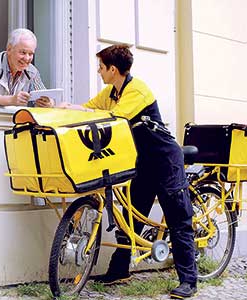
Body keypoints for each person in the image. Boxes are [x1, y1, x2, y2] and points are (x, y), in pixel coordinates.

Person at [58, 44, 197, 299]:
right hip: (142, 163)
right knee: (130, 218)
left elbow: (116, 118)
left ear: (113, 69)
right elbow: (90, 108)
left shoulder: (137, 90)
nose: (99, 72)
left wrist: (88, 112)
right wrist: (63, 107)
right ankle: (120, 269)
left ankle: (189, 281)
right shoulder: (111, 92)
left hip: (166, 160)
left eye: (101, 67)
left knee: (178, 221)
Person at [0, 28, 54, 107]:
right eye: (22, 52)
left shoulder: (32, 72)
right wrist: (12, 100)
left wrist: (48, 103)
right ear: (9, 49)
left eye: (30, 54)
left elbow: (43, 94)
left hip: (8, 120)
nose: (27, 58)